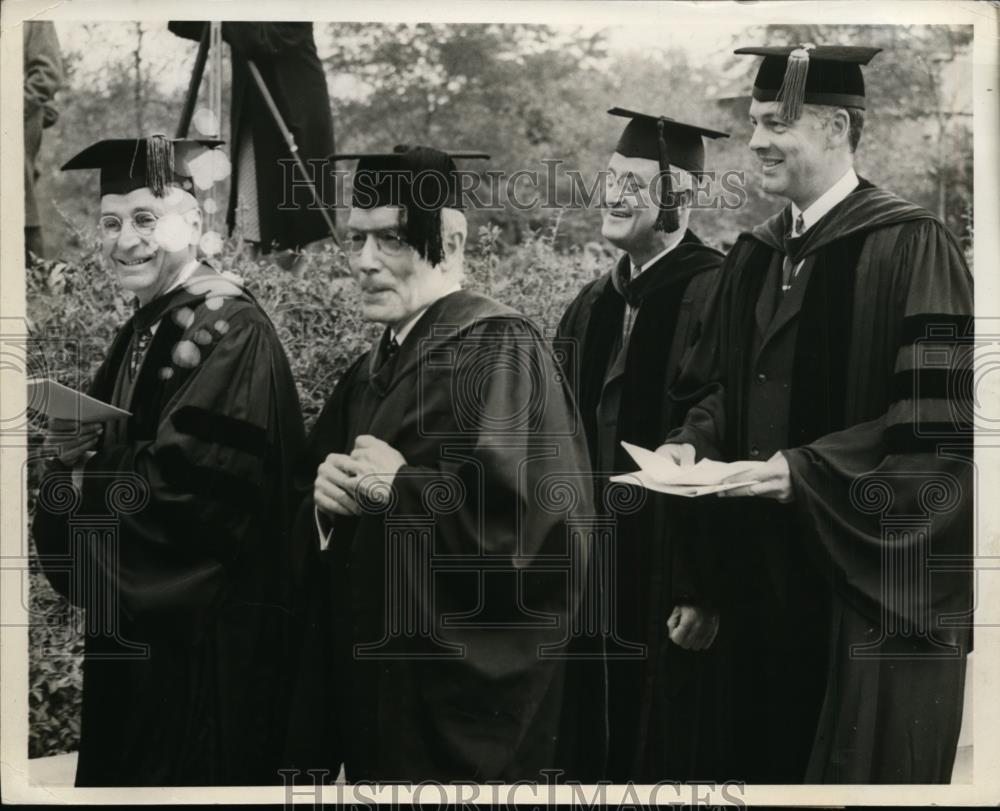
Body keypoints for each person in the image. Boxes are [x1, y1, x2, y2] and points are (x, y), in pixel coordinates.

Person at [659, 45, 973, 783]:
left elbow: (937, 427)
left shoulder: (912, 244)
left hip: (856, 590)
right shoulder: (758, 255)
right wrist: (688, 443)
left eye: (777, 123)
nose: (758, 141)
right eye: (755, 123)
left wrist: (798, 473)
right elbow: (721, 389)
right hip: (758, 591)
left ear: (836, 126)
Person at [293, 144, 598, 782]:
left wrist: (401, 489)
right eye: (357, 241)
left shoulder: (498, 350)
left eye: (393, 241)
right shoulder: (371, 368)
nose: (365, 263)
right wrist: (322, 504)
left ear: (451, 241)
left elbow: (536, 535)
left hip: (454, 713)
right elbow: (320, 503)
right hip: (379, 694)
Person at [32, 135, 307, 786]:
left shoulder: (228, 328)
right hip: (146, 640)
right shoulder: (146, 326)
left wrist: (86, 472)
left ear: (196, 223)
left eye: (146, 218)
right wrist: (66, 464)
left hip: (206, 649)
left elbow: (195, 492)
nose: (125, 239)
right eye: (110, 222)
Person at [555, 108, 728, 781]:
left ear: (679, 197)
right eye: (611, 176)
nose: (614, 192)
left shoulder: (717, 289)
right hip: (587, 575)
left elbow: (725, 424)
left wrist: (703, 583)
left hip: (665, 580)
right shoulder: (591, 302)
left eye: (635, 180)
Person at [168, 22, 335, 263]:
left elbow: (255, 39)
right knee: (252, 222)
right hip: (255, 118)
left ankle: (299, 288)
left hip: (294, 112)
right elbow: (187, 23)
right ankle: (254, 280)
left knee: (298, 224)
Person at [23, 20, 63, 262]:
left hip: (14, 124)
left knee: (20, 205)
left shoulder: (33, 15)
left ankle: (35, 288)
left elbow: (47, 73)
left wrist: (11, 106)